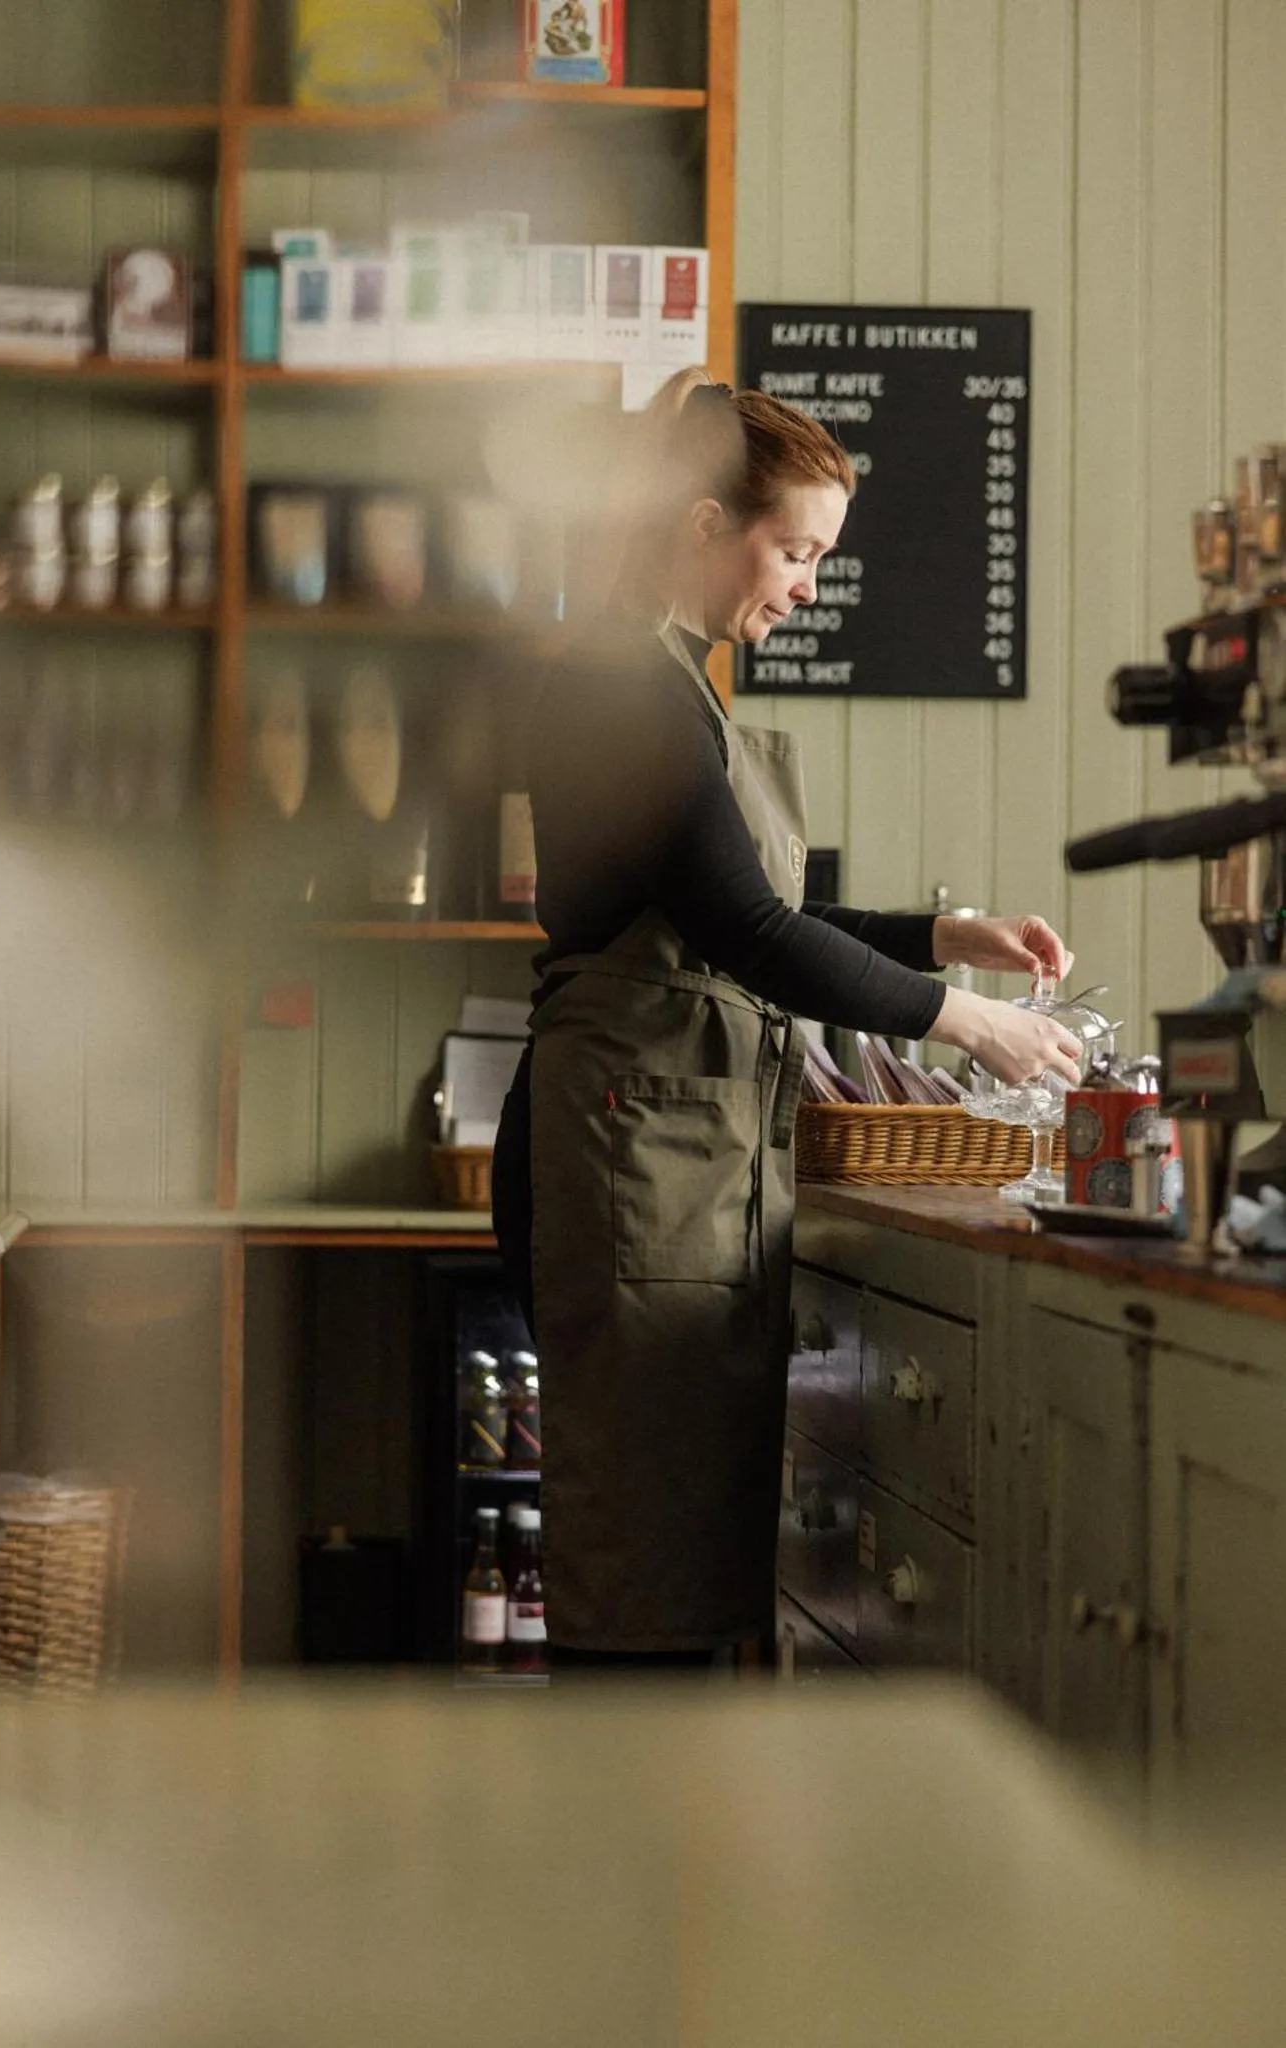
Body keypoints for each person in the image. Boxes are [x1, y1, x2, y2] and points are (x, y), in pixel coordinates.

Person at [492, 369, 1081, 1674]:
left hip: (661, 1166)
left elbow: (747, 907)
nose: (809, 584)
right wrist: (971, 1024)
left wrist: (944, 938)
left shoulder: (661, 677)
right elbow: (752, 936)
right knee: (638, 1585)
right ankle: (620, 1864)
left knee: (672, 1569)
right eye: (797, 550)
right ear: (706, 526)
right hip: (631, 1167)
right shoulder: (624, 689)